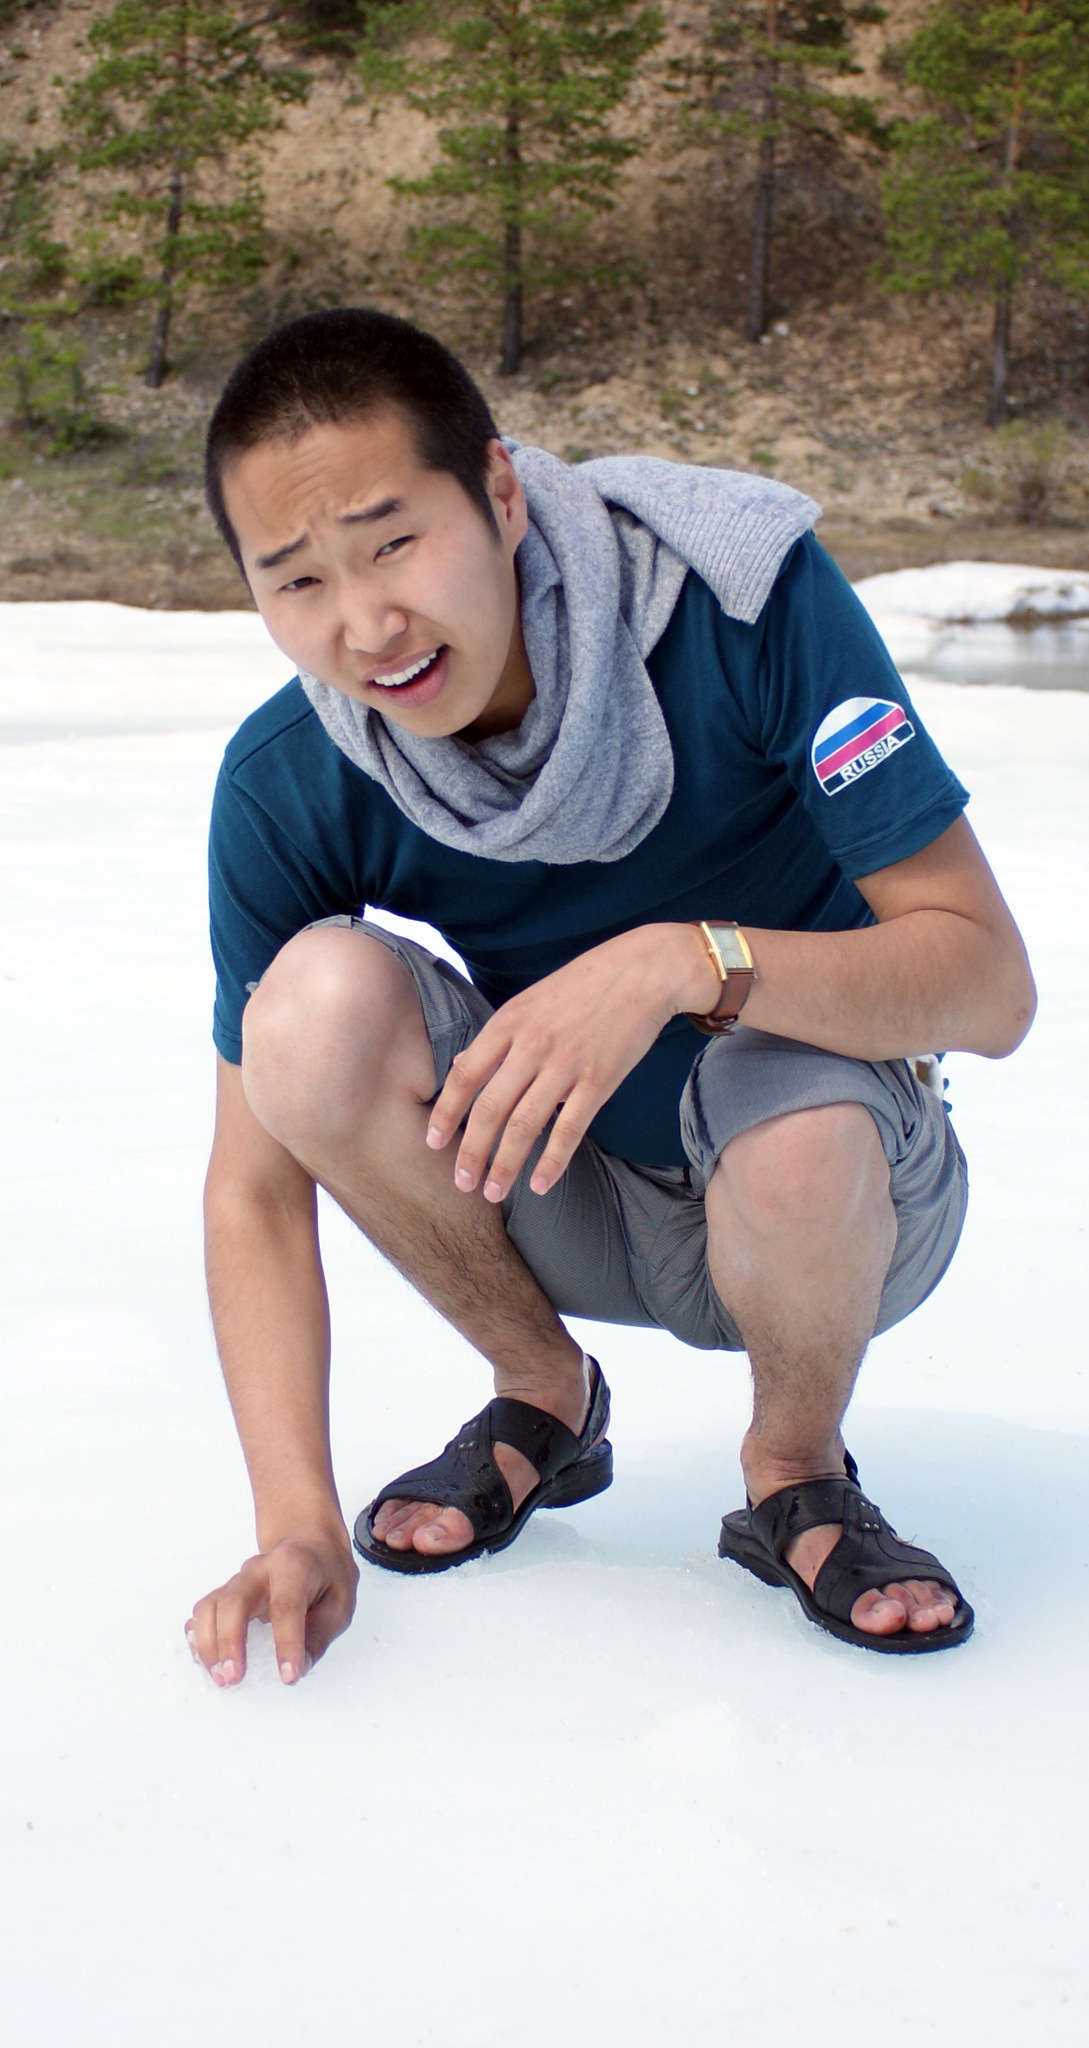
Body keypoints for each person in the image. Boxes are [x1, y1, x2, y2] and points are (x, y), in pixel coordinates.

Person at [185, 307, 1035, 1687]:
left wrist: (683, 962)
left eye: (394, 543)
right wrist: (294, 1522)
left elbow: (989, 986)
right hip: (562, 1195)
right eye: (299, 581)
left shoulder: (739, 604)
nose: (368, 626)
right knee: (306, 1012)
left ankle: (795, 1471)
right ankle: (542, 1391)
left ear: (501, 492)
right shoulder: (294, 773)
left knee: (796, 1128)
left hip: (838, 1205)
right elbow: (252, 1190)